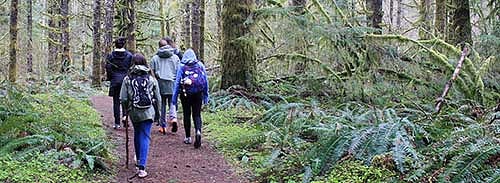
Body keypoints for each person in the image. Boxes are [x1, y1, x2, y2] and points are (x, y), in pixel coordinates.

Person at [120, 53, 161, 178]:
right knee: (145, 136)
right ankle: (142, 167)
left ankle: (138, 161)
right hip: (148, 111)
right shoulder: (151, 78)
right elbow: (157, 98)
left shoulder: (128, 78)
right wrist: (158, 114)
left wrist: (125, 113)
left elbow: (123, 98)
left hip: (134, 111)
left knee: (137, 134)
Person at [171, 49, 209, 148]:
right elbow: (205, 81)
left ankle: (188, 137)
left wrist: (174, 98)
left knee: (186, 114)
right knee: (197, 114)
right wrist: (205, 95)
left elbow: (177, 82)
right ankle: (198, 131)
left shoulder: (182, 66)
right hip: (198, 93)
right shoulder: (200, 65)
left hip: (185, 94)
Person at [150, 39, 180, 134]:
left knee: (161, 104)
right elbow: (178, 71)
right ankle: (173, 118)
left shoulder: (155, 58)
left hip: (160, 83)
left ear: (159, 46)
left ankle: (163, 126)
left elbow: (151, 72)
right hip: (172, 82)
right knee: (172, 102)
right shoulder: (175, 57)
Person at [105, 37, 132, 129]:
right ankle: (125, 116)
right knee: (126, 100)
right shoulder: (129, 55)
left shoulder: (111, 56)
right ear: (124, 44)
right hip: (126, 80)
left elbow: (108, 68)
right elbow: (131, 68)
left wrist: (111, 77)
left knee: (116, 101)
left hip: (115, 80)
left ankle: (117, 123)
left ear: (115, 45)